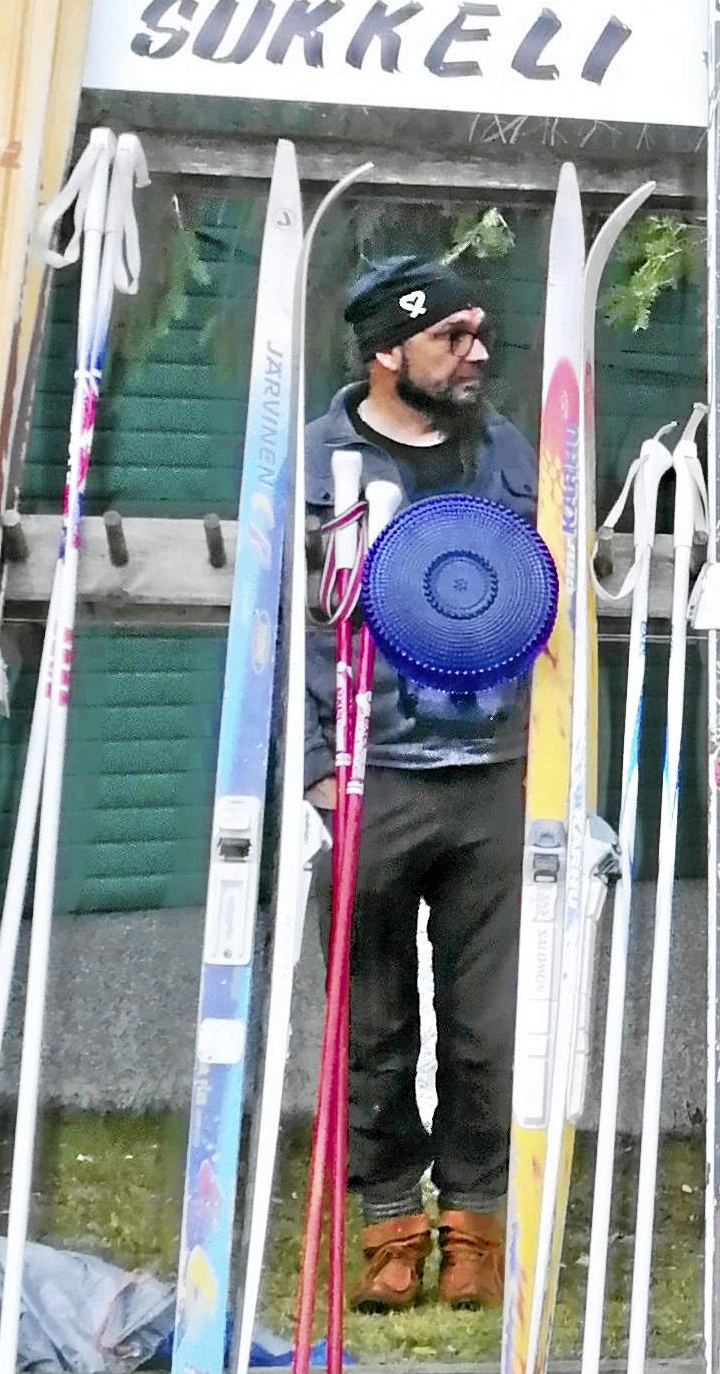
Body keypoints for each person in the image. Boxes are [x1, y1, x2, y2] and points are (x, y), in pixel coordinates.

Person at [305, 252, 537, 1312]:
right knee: (374, 1015)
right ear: (387, 350)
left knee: (485, 1023)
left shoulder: (504, 452)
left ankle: (475, 1227)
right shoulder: (321, 460)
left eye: (478, 331)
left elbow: (538, 593)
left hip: (491, 773)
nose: (475, 351)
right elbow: (288, 620)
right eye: (451, 336)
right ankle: (390, 1223)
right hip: (371, 771)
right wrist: (313, 764)